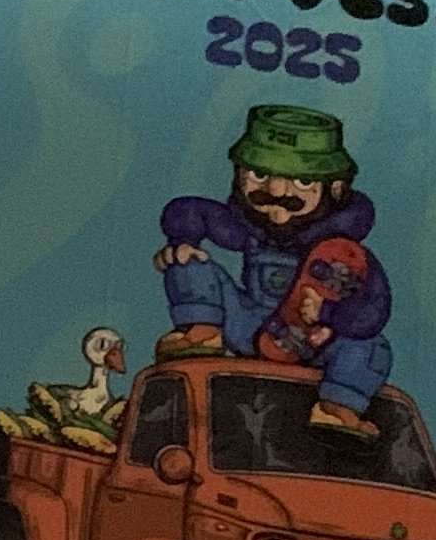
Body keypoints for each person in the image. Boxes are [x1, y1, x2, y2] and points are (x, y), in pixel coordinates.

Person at [154, 102, 391, 435]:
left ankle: (338, 404)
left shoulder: (346, 253)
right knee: (189, 262)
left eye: (302, 181)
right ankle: (202, 332)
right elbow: (193, 210)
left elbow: (374, 307)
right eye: (260, 175)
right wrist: (183, 240)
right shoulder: (249, 228)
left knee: (373, 347)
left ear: (335, 188)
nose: (276, 191)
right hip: (248, 326)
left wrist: (329, 315)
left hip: (313, 342)